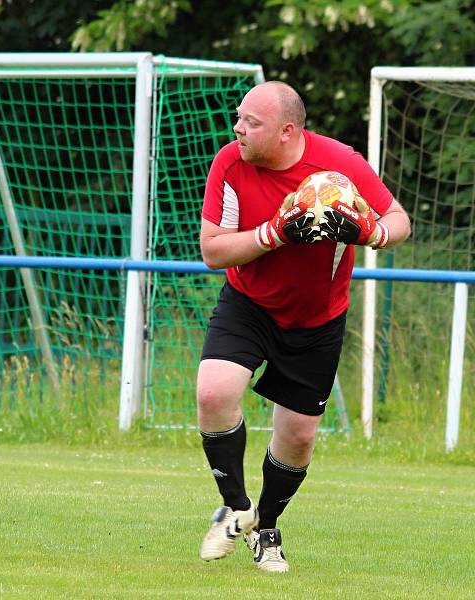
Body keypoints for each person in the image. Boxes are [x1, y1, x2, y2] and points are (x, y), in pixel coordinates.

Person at [196, 81, 410, 572]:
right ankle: (235, 507)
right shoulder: (231, 162)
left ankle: (266, 529)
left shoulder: (341, 165)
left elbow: (399, 220)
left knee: (297, 438)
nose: (238, 128)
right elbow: (213, 250)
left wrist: (374, 232)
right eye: (239, 117)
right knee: (213, 392)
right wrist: (274, 232)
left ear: (288, 130)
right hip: (248, 303)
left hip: (317, 318)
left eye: (252, 122)